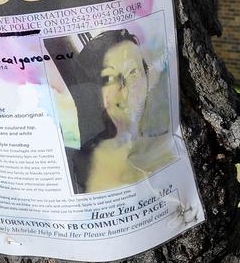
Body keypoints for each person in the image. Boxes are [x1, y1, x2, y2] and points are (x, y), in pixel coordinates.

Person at [70, 29, 176, 193]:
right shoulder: (85, 162)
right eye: (110, 78)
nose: (125, 91)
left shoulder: (170, 144)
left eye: (133, 72)